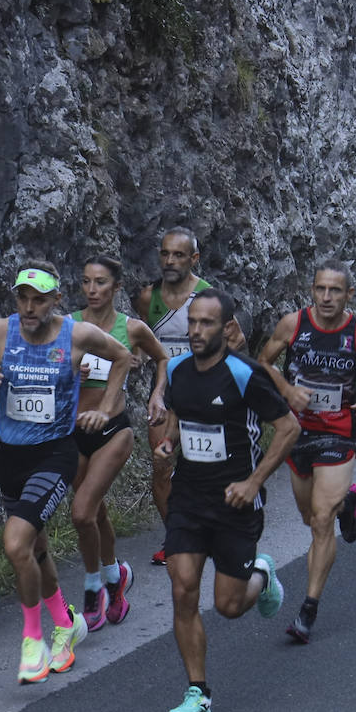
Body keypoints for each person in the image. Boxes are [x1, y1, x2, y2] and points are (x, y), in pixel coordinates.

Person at [0, 264, 132, 684]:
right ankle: (66, 622)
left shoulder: (75, 335)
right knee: (35, 551)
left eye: (39, 299)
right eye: (23, 297)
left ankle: (32, 641)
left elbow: (123, 356)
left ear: (56, 301)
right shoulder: (0, 332)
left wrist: (105, 408)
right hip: (10, 457)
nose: (29, 306)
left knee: (15, 543)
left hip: (55, 454)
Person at [156, 289, 300, 712]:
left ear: (226, 328)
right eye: (191, 322)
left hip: (237, 503)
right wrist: (168, 442)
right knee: (182, 587)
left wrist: (253, 481)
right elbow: (180, 417)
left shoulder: (245, 375)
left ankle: (263, 572)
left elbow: (288, 428)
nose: (195, 331)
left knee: (229, 606)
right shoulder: (177, 369)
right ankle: (198, 691)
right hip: (188, 497)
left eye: (206, 324)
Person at [257, 261, 356, 643]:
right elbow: (263, 362)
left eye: (335, 291)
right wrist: (286, 392)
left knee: (321, 522)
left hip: (338, 434)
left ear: (349, 295)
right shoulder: (293, 325)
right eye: (320, 289)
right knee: (309, 516)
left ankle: (307, 610)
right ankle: (347, 504)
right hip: (298, 433)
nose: (326, 297)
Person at [70, 255, 170, 632]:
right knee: (94, 513)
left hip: (114, 429)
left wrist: (156, 395)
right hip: (73, 429)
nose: (92, 290)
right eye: (86, 282)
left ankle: (94, 585)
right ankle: (116, 577)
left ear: (116, 288)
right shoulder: (69, 326)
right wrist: (68, 370)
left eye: (100, 283)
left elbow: (162, 359)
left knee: (81, 512)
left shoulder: (133, 328)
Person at [136, 227, 245, 566]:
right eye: (165, 253)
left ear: (194, 259)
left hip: (204, 395)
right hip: (167, 395)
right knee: (160, 463)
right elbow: (146, 344)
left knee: (206, 468)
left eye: (179, 255)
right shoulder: (147, 298)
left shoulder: (208, 297)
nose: (170, 261)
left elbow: (237, 340)